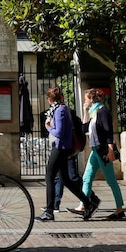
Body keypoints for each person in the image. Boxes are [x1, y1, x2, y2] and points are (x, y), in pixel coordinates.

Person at [36, 86, 98, 222]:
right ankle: (88, 203)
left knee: (49, 178)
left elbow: (59, 132)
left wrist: (48, 127)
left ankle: (49, 212)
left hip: (61, 148)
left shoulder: (60, 111)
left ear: (49, 99)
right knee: (66, 180)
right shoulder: (60, 109)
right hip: (62, 147)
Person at [68, 87, 125, 220]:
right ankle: (83, 206)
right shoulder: (93, 113)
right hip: (95, 150)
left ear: (92, 99)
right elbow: (83, 128)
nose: (84, 101)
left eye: (86, 99)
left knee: (111, 181)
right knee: (86, 178)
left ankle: (119, 209)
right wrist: (84, 111)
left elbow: (108, 132)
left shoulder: (103, 111)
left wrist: (110, 150)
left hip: (103, 150)